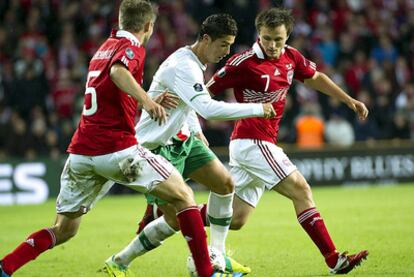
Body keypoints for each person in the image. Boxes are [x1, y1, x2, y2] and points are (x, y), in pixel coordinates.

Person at [0, 2, 232, 277]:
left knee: (63, 230)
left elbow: (109, 91)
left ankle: (6, 266)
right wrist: (147, 101)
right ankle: (207, 272)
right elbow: (118, 73)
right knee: (184, 196)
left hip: (81, 153)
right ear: (148, 26)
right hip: (116, 150)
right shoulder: (132, 48)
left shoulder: (103, 48)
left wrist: (143, 98)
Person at [134, 7, 370, 275]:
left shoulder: (292, 57)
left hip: (263, 143)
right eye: (267, 38)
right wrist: (188, 123)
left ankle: (166, 216)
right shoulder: (241, 63)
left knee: (235, 219)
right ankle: (333, 259)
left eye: (278, 40)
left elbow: (315, 78)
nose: (272, 45)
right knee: (301, 190)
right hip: (251, 142)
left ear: (287, 37)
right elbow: (201, 96)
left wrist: (349, 100)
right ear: (259, 34)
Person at [103, 13, 276, 276]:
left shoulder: (196, 63)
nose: (226, 52)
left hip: (182, 139)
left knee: (225, 184)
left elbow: (189, 103)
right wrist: (257, 108)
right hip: (155, 147)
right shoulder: (183, 65)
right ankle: (120, 261)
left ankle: (216, 256)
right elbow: (207, 108)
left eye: (230, 45)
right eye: (223, 45)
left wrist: (195, 130)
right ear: (206, 39)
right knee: (175, 218)